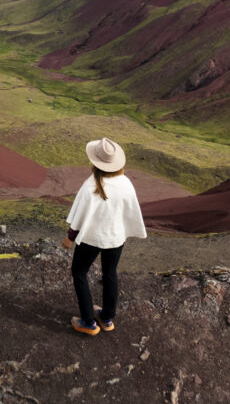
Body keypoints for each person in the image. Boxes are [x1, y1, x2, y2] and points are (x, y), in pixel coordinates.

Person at [61, 137, 146, 336]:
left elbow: (80, 215)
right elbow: (130, 211)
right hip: (116, 238)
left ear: (94, 162)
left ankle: (89, 322)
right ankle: (107, 318)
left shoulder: (90, 184)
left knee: (79, 272)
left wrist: (70, 238)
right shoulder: (125, 183)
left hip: (91, 239)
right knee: (110, 273)